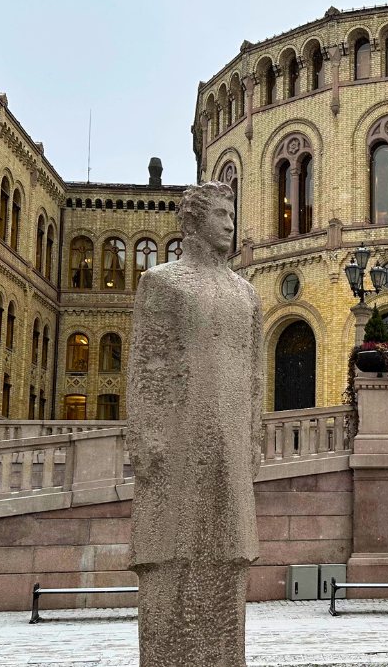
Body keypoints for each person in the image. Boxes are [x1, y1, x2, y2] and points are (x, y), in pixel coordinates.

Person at [128, 181, 262, 667]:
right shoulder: (163, 283)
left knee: (229, 548)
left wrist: (253, 434)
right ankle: (171, 652)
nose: (230, 224)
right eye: (221, 214)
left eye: (232, 214)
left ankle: (225, 655)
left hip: (229, 435)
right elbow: (147, 362)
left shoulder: (245, 293)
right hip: (181, 436)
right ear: (194, 221)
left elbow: (253, 374)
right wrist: (145, 432)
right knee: (174, 544)